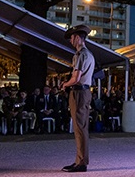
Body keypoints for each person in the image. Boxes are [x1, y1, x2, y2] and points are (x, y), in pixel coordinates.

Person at [60, 24, 95, 173]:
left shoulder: (81, 55)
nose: (70, 41)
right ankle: (79, 160)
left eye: (72, 38)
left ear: (78, 38)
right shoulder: (89, 54)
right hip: (84, 92)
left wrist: (65, 84)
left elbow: (76, 78)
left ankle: (81, 163)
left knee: (79, 128)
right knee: (81, 127)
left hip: (79, 93)